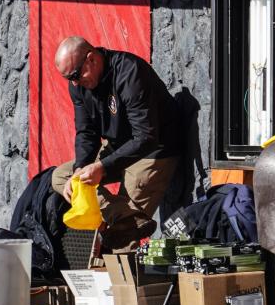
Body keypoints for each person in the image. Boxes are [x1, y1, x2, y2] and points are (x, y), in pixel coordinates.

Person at [51, 36, 179, 251]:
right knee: (62, 176)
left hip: (153, 149)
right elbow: (86, 132)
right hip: (118, 145)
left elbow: (146, 136)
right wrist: (81, 168)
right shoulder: (79, 85)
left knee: (121, 239)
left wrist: (102, 167)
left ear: (91, 59)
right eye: (68, 79)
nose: (74, 83)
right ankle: (128, 218)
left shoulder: (130, 72)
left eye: (75, 75)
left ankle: (124, 231)